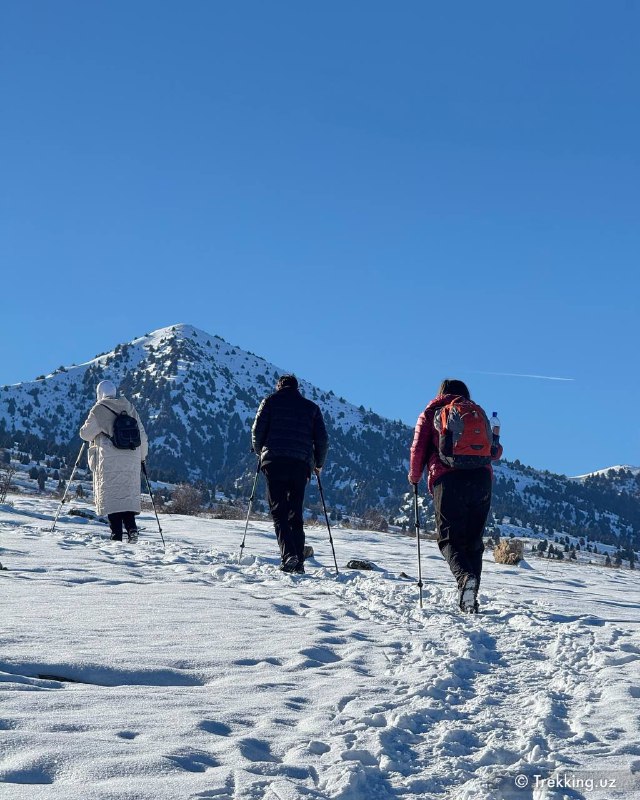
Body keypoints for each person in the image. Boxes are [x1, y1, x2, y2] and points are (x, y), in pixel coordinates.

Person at [408, 379, 503, 613]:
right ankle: (471, 598)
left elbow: (418, 447)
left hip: (448, 479)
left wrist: (414, 477)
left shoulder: (432, 411)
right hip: (481, 480)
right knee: (474, 542)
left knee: (449, 539)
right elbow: (496, 452)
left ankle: (464, 580)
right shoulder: (477, 412)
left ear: (441, 392)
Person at [251, 374, 329, 573]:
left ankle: (289, 556)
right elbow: (321, 440)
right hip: (300, 465)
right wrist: (318, 464)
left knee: (279, 511)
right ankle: (299, 562)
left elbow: (257, 430)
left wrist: (260, 452)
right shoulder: (311, 408)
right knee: (295, 511)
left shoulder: (269, 401)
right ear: (297, 388)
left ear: (279, 386)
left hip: (274, 461)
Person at [80, 380, 148, 542]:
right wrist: (142, 458)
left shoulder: (99, 409)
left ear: (99, 393)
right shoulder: (129, 407)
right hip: (131, 457)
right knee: (126, 495)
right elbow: (143, 436)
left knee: (112, 497)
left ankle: (116, 535)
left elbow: (86, 434)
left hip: (110, 459)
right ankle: (132, 528)